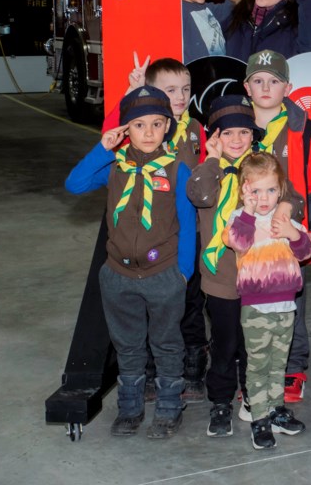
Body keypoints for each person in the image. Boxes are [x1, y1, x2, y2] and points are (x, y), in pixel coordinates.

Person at [65, 86, 196, 439]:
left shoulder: (176, 170)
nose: (149, 132)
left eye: (157, 123)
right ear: (126, 129)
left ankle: (169, 407)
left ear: (168, 125)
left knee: (167, 343)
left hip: (163, 274)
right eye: (138, 125)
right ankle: (130, 408)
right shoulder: (114, 168)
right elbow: (74, 184)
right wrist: (103, 148)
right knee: (128, 344)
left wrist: (182, 273)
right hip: (118, 275)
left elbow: (187, 225)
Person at [101, 56, 209, 403]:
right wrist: (131, 93)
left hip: (182, 240)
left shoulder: (194, 128)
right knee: (142, 317)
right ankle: (144, 376)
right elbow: (111, 132)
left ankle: (191, 370)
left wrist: (185, 269)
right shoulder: (145, 127)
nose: (180, 97)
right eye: (170, 90)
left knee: (190, 308)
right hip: (147, 243)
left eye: (186, 90)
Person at [242, 49, 311, 405]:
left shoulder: (303, 127)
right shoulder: (234, 126)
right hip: (247, 235)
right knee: (246, 303)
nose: (265, 87)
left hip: (290, 236)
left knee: (293, 302)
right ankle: (251, 367)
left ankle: (293, 367)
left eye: (274, 81)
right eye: (258, 81)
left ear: (288, 87)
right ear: (247, 87)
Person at [222, 152, 311, 450]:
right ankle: (259, 416)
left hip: (286, 305)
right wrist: (248, 212)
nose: (264, 197)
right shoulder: (239, 219)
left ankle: (275, 409)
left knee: (279, 363)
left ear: (281, 189)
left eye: (271, 190)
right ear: (244, 190)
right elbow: (238, 243)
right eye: (256, 190)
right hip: (256, 306)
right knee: (258, 365)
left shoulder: (285, 220)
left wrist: (293, 233)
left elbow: (305, 253)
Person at [186, 95, 258, 438]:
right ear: (214, 137)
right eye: (228, 133)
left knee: (252, 342)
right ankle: (220, 400)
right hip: (220, 275)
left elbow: (284, 199)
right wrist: (212, 161)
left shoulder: (260, 169)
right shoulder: (207, 171)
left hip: (256, 274)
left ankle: (253, 396)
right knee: (225, 342)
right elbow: (199, 196)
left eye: (244, 132)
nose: (237, 140)